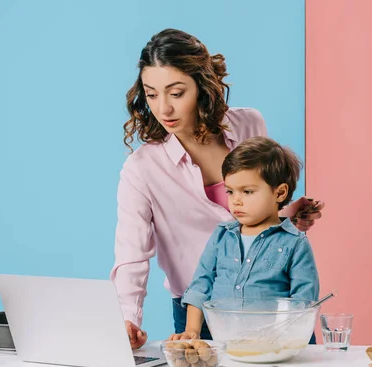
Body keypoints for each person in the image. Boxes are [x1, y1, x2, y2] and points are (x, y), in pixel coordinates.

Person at [110, 28, 324, 349]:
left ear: (202, 86)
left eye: (176, 93)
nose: (163, 108)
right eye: (152, 94)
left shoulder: (250, 125)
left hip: (272, 301)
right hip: (200, 314)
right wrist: (128, 319)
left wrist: (287, 215)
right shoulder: (142, 169)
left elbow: (255, 209)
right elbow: (132, 256)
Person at [168, 137, 319, 342]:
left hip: (277, 347)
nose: (236, 200)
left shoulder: (295, 244)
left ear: (280, 192)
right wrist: (192, 331)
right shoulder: (222, 236)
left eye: (247, 192)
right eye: (230, 191)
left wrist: (284, 340)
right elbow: (200, 286)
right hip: (226, 344)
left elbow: (303, 304)